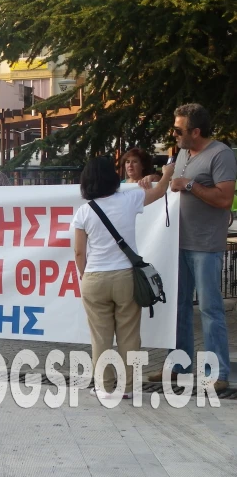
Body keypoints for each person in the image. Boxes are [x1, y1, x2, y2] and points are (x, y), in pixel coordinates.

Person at [143, 104, 235, 391]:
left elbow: (224, 200)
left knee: (210, 309)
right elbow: (173, 185)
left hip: (205, 245)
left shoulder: (221, 154)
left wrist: (190, 185)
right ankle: (178, 367)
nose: (174, 133)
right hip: (178, 243)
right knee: (179, 308)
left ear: (196, 131)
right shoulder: (182, 152)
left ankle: (218, 373)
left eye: (179, 129)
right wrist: (156, 180)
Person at [73, 157, 171, 399]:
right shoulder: (129, 200)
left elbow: (78, 252)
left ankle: (104, 387)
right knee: (129, 335)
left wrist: (85, 274)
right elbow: (159, 192)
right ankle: (129, 388)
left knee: (100, 336)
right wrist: (167, 173)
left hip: (95, 277)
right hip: (126, 277)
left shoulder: (84, 212)